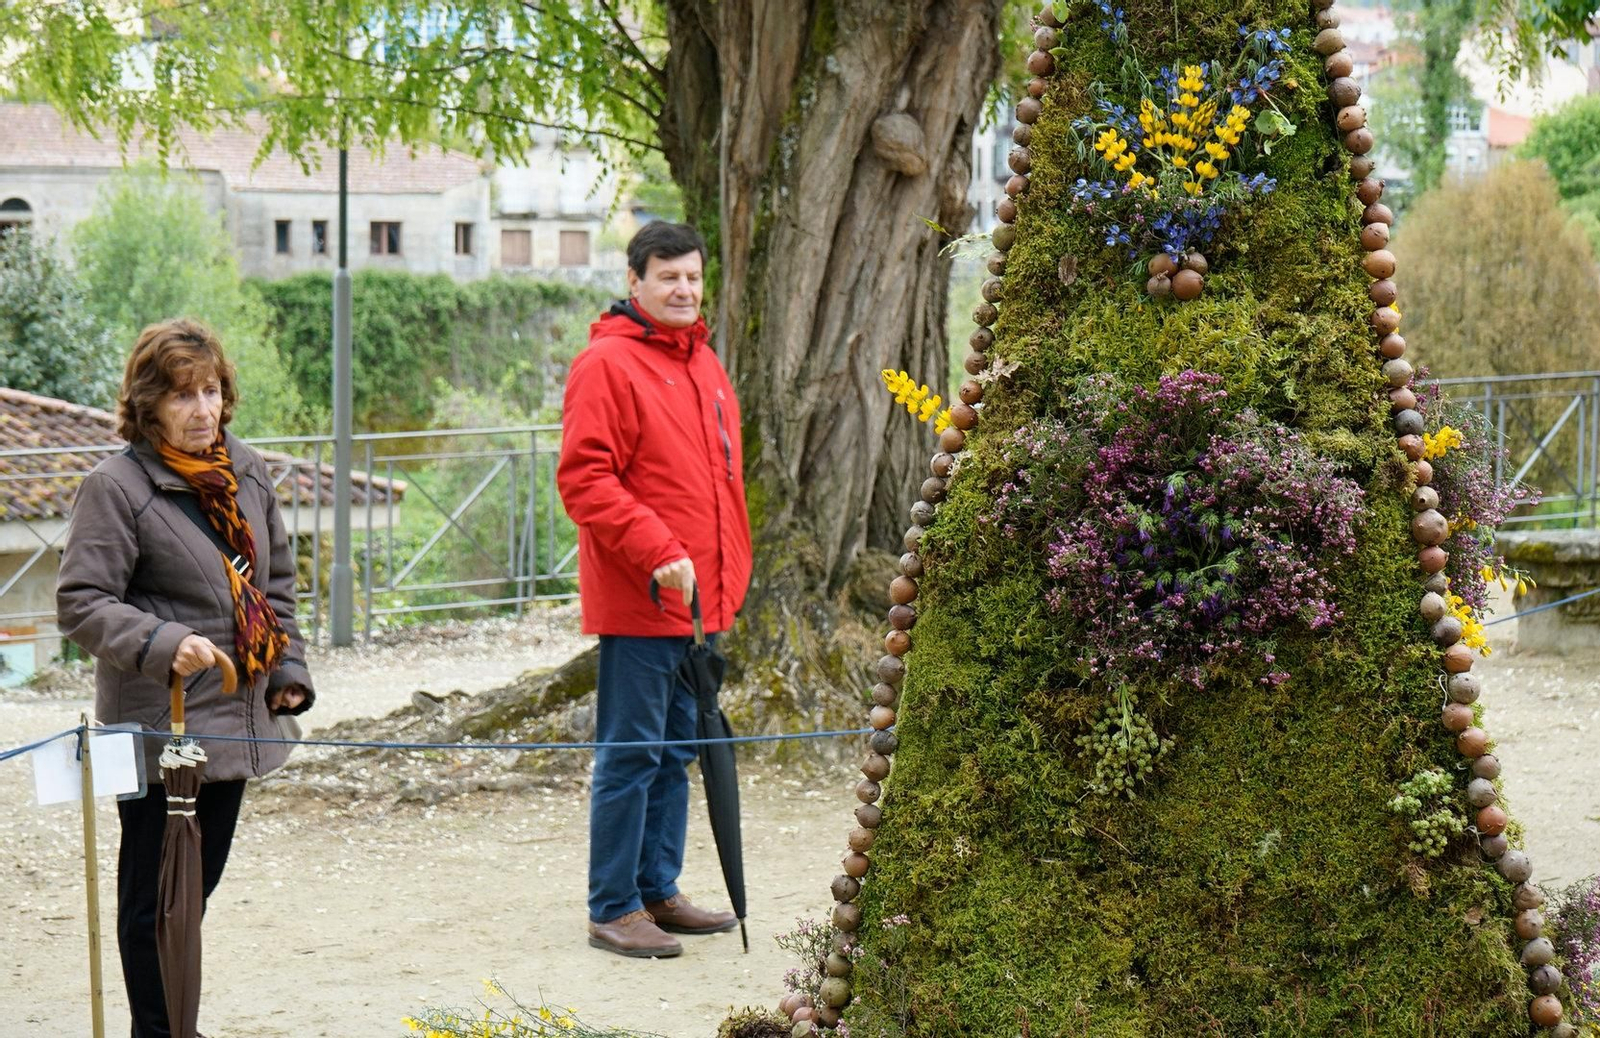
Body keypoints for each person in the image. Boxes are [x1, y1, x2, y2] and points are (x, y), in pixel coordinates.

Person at [57, 318, 315, 1037]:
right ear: (148, 405)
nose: (203, 410)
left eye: (211, 391)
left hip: (237, 720)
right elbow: (81, 602)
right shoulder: (115, 488)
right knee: (154, 902)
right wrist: (164, 641)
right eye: (182, 395)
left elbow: (275, 587)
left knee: (195, 892)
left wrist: (287, 668)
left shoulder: (246, 469)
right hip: (158, 728)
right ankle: (161, 1030)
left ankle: (175, 1023)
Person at [557, 221, 753, 958]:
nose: (683, 290)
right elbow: (585, 480)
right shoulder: (605, 364)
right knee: (632, 753)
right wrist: (659, 550)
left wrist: (731, 572)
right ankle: (613, 906)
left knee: (676, 753)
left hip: (702, 605)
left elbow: (720, 483)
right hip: (642, 599)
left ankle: (657, 890)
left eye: (693, 277)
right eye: (668, 276)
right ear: (634, 281)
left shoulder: (704, 361)